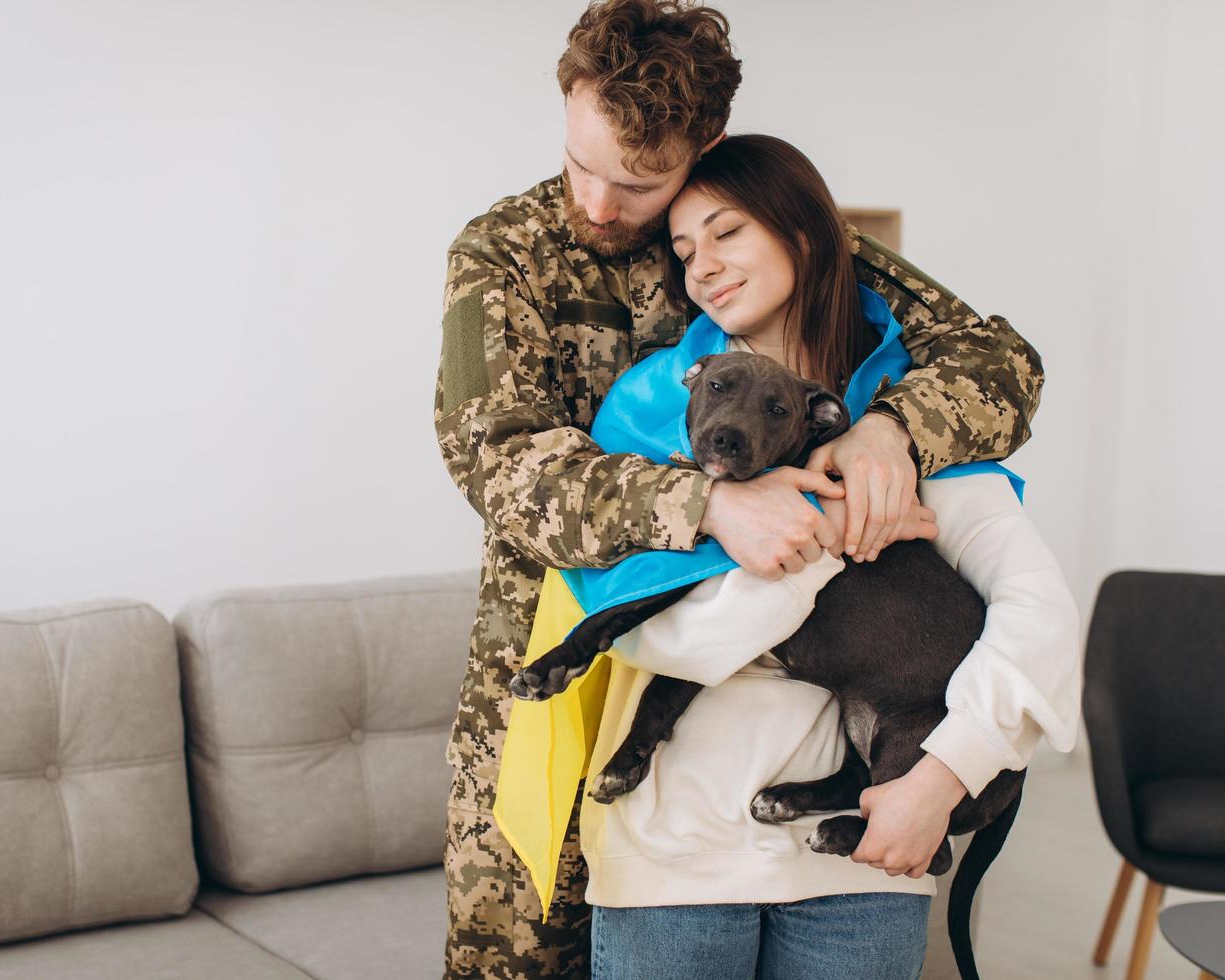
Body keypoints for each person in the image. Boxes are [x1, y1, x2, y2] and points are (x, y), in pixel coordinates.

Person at [433, 2, 1044, 976]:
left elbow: (997, 357)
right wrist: (706, 502)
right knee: (519, 955)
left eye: (637, 180)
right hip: (564, 656)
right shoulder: (505, 252)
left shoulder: (748, 231)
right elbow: (491, 452)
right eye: (579, 161)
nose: (595, 203)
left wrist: (894, 425)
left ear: (704, 144)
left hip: (765, 719)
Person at [569, 133, 1080, 980]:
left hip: (867, 848)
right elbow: (635, 632)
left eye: (727, 232)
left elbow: (1042, 619)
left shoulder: (914, 414)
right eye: (685, 249)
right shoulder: (651, 408)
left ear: (804, 234)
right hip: (674, 846)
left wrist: (941, 781)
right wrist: (814, 531)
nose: (703, 266)